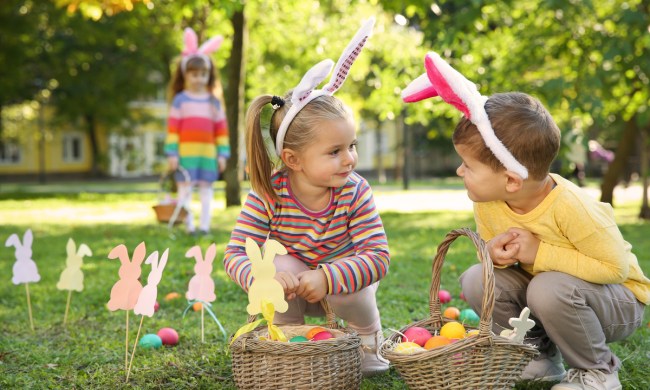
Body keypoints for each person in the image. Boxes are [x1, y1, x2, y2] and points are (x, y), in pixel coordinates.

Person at [402, 52, 649, 390]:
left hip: (617, 301)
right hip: (551, 297)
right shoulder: (490, 200)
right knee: (478, 278)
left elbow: (614, 269)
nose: (460, 171)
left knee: (547, 287)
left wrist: (538, 254)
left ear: (512, 180)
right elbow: (497, 260)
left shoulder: (572, 207)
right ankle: (537, 357)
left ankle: (599, 371)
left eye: (469, 166)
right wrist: (491, 253)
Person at [223, 18, 391, 377]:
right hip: (295, 285)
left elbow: (377, 257)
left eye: (352, 146)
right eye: (334, 151)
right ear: (293, 160)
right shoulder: (269, 192)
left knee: (349, 290)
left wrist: (328, 278)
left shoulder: (355, 191)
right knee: (276, 267)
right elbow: (236, 253)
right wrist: (259, 278)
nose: (349, 158)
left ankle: (367, 340)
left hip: (344, 286)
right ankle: (293, 344)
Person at [164, 27, 230, 235]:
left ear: (208, 75)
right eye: (194, 74)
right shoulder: (180, 100)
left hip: (207, 155)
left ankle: (204, 226)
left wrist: (223, 155)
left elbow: (221, 131)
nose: (199, 78)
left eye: (203, 74)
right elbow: (173, 130)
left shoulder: (213, 102)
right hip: (186, 155)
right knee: (185, 191)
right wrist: (172, 153)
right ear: (185, 75)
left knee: (206, 191)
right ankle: (189, 225)